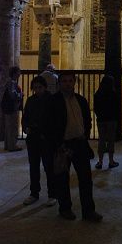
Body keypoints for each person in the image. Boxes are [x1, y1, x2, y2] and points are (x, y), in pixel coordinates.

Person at [49, 71, 102, 222]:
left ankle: (88, 211)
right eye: (64, 81)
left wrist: (85, 134)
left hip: (79, 143)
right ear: (59, 83)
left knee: (85, 179)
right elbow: (48, 125)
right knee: (63, 179)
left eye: (70, 81)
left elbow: (87, 120)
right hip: (63, 146)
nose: (67, 83)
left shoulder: (81, 100)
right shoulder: (53, 102)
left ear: (74, 83)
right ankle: (65, 208)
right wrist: (58, 144)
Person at [22, 76, 57, 206]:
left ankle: (52, 194)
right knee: (34, 167)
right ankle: (34, 193)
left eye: (39, 87)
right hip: (33, 139)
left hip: (45, 139)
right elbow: (25, 117)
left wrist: (46, 133)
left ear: (44, 87)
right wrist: (26, 128)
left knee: (49, 167)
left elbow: (53, 120)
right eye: (35, 88)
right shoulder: (31, 100)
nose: (37, 90)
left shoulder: (51, 100)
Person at [94, 75, 119, 169]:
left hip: (101, 120)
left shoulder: (98, 93)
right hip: (111, 120)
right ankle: (111, 161)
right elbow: (116, 108)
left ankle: (100, 162)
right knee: (111, 140)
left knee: (101, 140)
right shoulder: (113, 93)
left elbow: (96, 108)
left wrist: (100, 116)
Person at [1, 66, 23, 151]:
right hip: (12, 107)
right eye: (18, 72)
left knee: (8, 126)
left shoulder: (9, 82)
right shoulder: (12, 82)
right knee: (12, 127)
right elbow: (13, 94)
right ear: (15, 73)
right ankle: (12, 146)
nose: (20, 73)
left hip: (8, 107)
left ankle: (8, 145)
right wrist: (21, 95)